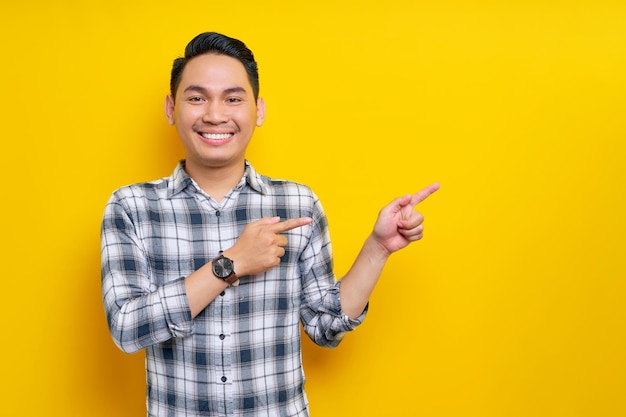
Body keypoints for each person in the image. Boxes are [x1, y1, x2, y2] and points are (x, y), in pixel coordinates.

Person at [101, 31, 439, 417]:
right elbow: (127, 329)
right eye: (197, 98)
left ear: (258, 110)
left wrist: (378, 248)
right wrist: (229, 264)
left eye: (233, 98)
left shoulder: (296, 203)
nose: (214, 114)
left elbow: (326, 327)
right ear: (170, 108)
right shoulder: (132, 206)